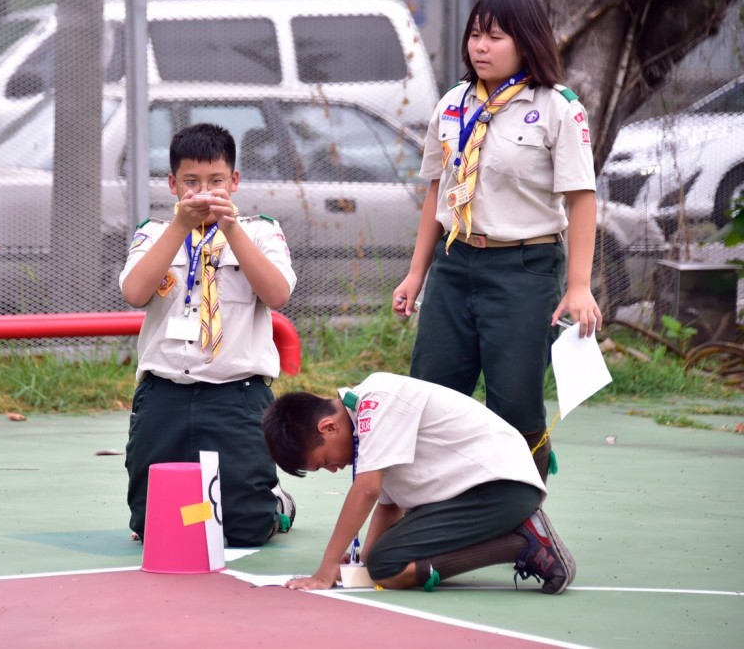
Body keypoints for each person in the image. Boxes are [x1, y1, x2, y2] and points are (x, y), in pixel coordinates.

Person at [391, 0, 602, 482]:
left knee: (516, 403)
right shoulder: (451, 106)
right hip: (455, 263)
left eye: (495, 37)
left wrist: (578, 285)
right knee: (431, 393)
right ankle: (436, 508)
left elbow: (581, 198)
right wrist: (415, 274)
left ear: (525, 42)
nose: (480, 47)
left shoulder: (557, 108)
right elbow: (437, 195)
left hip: (523, 270)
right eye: (475, 36)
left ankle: (522, 517)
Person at [120, 122, 298, 546]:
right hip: (166, 392)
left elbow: (277, 295)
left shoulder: (261, 231)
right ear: (172, 184)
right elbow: (134, 292)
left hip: (236, 393)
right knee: (152, 528)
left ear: (234, 181)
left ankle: (277, 503)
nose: (204, 192)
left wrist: (231, 229)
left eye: (216, 181)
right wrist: (179, 227)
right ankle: (200, 507)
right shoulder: (153, 233)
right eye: (191, 182)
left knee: (245, 530)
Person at [262, 372, 575, 594]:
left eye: (325, 462)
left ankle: (523, 542)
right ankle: (523, 536)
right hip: (488, 491)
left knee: (387, 568)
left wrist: (325, 570)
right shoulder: (363, 424)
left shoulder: (375, 401)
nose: (333, 470)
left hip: (501, 488)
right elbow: (388, 504)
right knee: (378, 566)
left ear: (328, 427)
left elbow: (368, 489)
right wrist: (362, 562)